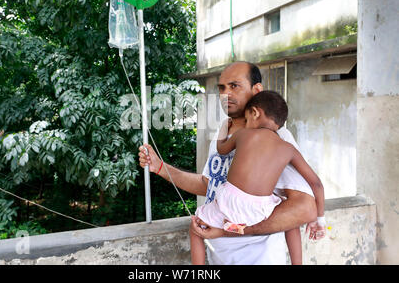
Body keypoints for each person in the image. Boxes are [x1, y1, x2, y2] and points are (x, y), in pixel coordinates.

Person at [138, 61, 325, 265]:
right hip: (219, 256)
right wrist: (161, 168)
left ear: (257, 90)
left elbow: (305, 209)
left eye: (234, 86)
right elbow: (208, 184)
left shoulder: (279, 138)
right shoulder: (224, 132)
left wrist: (229, 231)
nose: (225, 94)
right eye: (222, 88)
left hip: (259, 258)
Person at [190, 90, 326, 265]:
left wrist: (224, 127)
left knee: (196, 227)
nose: (245, 124)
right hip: (259, 212)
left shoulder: (243, 134)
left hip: (228, 203)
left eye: (246, 119)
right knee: (287, 212)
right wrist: (320, 219)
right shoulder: (288, 149)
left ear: (255, 113)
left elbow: (222, 149)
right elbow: (316, 184)